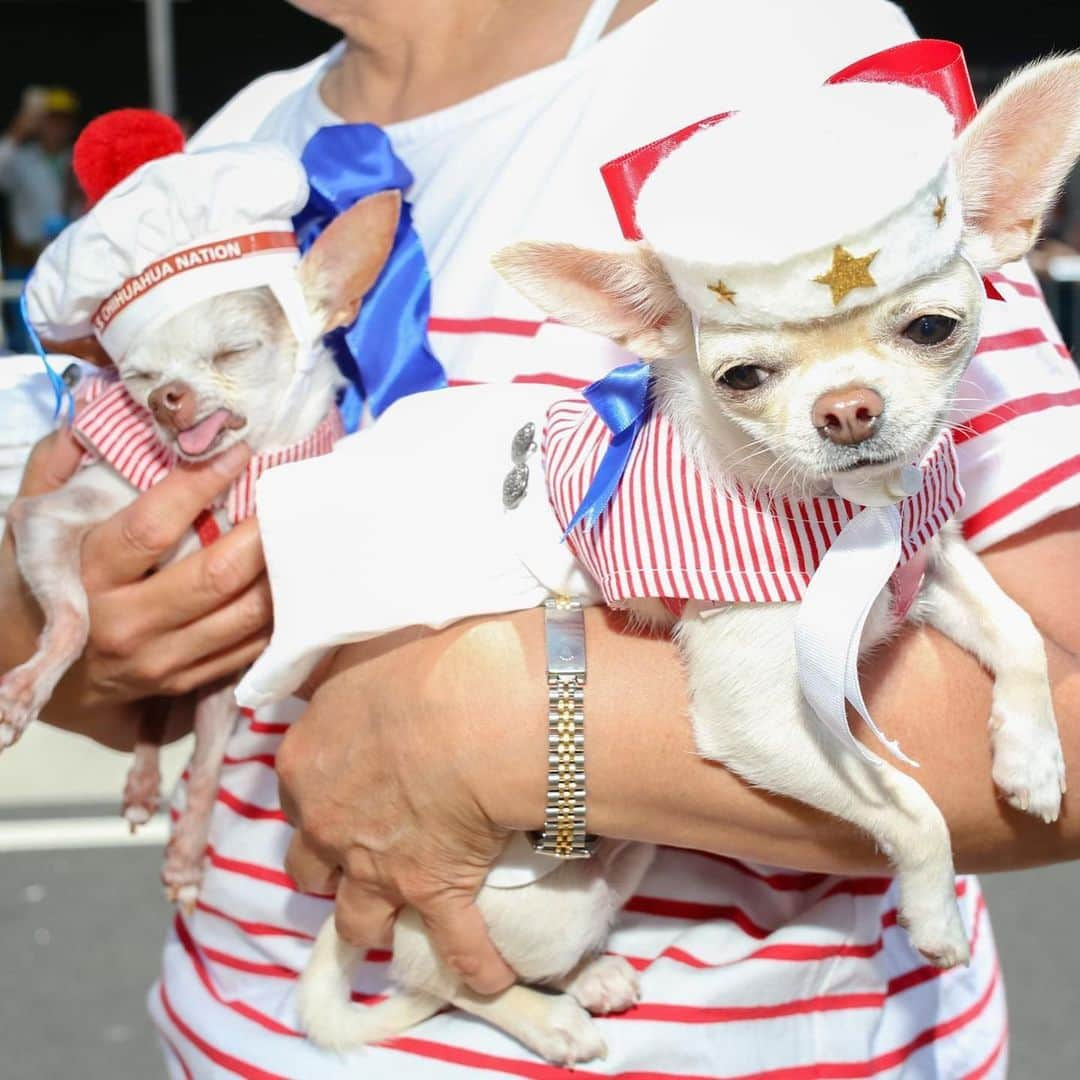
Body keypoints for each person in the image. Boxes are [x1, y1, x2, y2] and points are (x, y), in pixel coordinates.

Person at [3, 1, 1079, 1075]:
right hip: (225, 1017)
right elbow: (118, 677)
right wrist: (84, 643)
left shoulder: (778, 49)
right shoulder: (237, 149)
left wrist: (496, 724)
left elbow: (1062, 734)